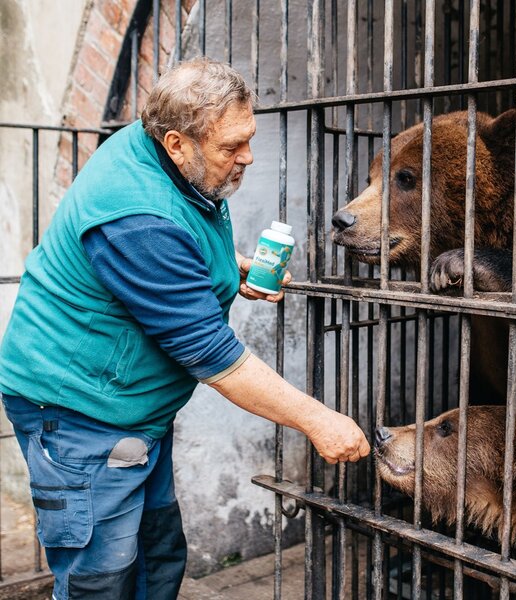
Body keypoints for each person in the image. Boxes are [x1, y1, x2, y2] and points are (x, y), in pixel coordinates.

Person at [0, 57, 370, 600]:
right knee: (99, 578)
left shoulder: (160, 149)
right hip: (79, 413)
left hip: (133, 411)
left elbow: (180, 240)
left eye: (248, 137)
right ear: (176, 143)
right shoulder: (136, 218)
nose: (247, 156)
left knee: (156, 556)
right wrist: (318, 420)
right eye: (231, 148)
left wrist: (226, 267)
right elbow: (218, 360)